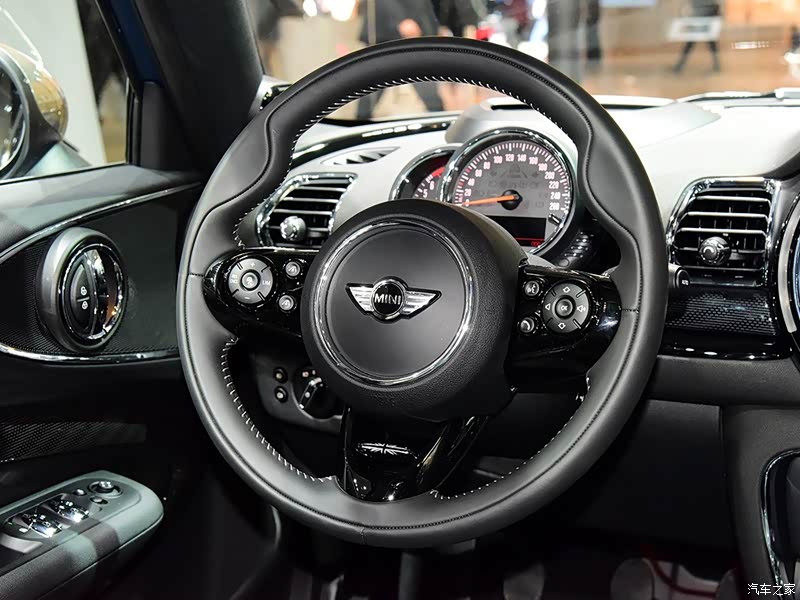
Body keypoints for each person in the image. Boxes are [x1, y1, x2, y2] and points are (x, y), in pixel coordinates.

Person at [356, 0, 444, 119]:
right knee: (372, 89)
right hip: (392, 32)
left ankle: (439, 121)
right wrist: (400, 19)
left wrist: (434, 27)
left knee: (428, 90)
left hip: (415, 30)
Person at [673, 0, 722, 73]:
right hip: (698, 17)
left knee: (711, 42)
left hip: (707, 17)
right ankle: (680, 64)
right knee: (691, 42)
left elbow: (715, 7)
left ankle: (717, 64)